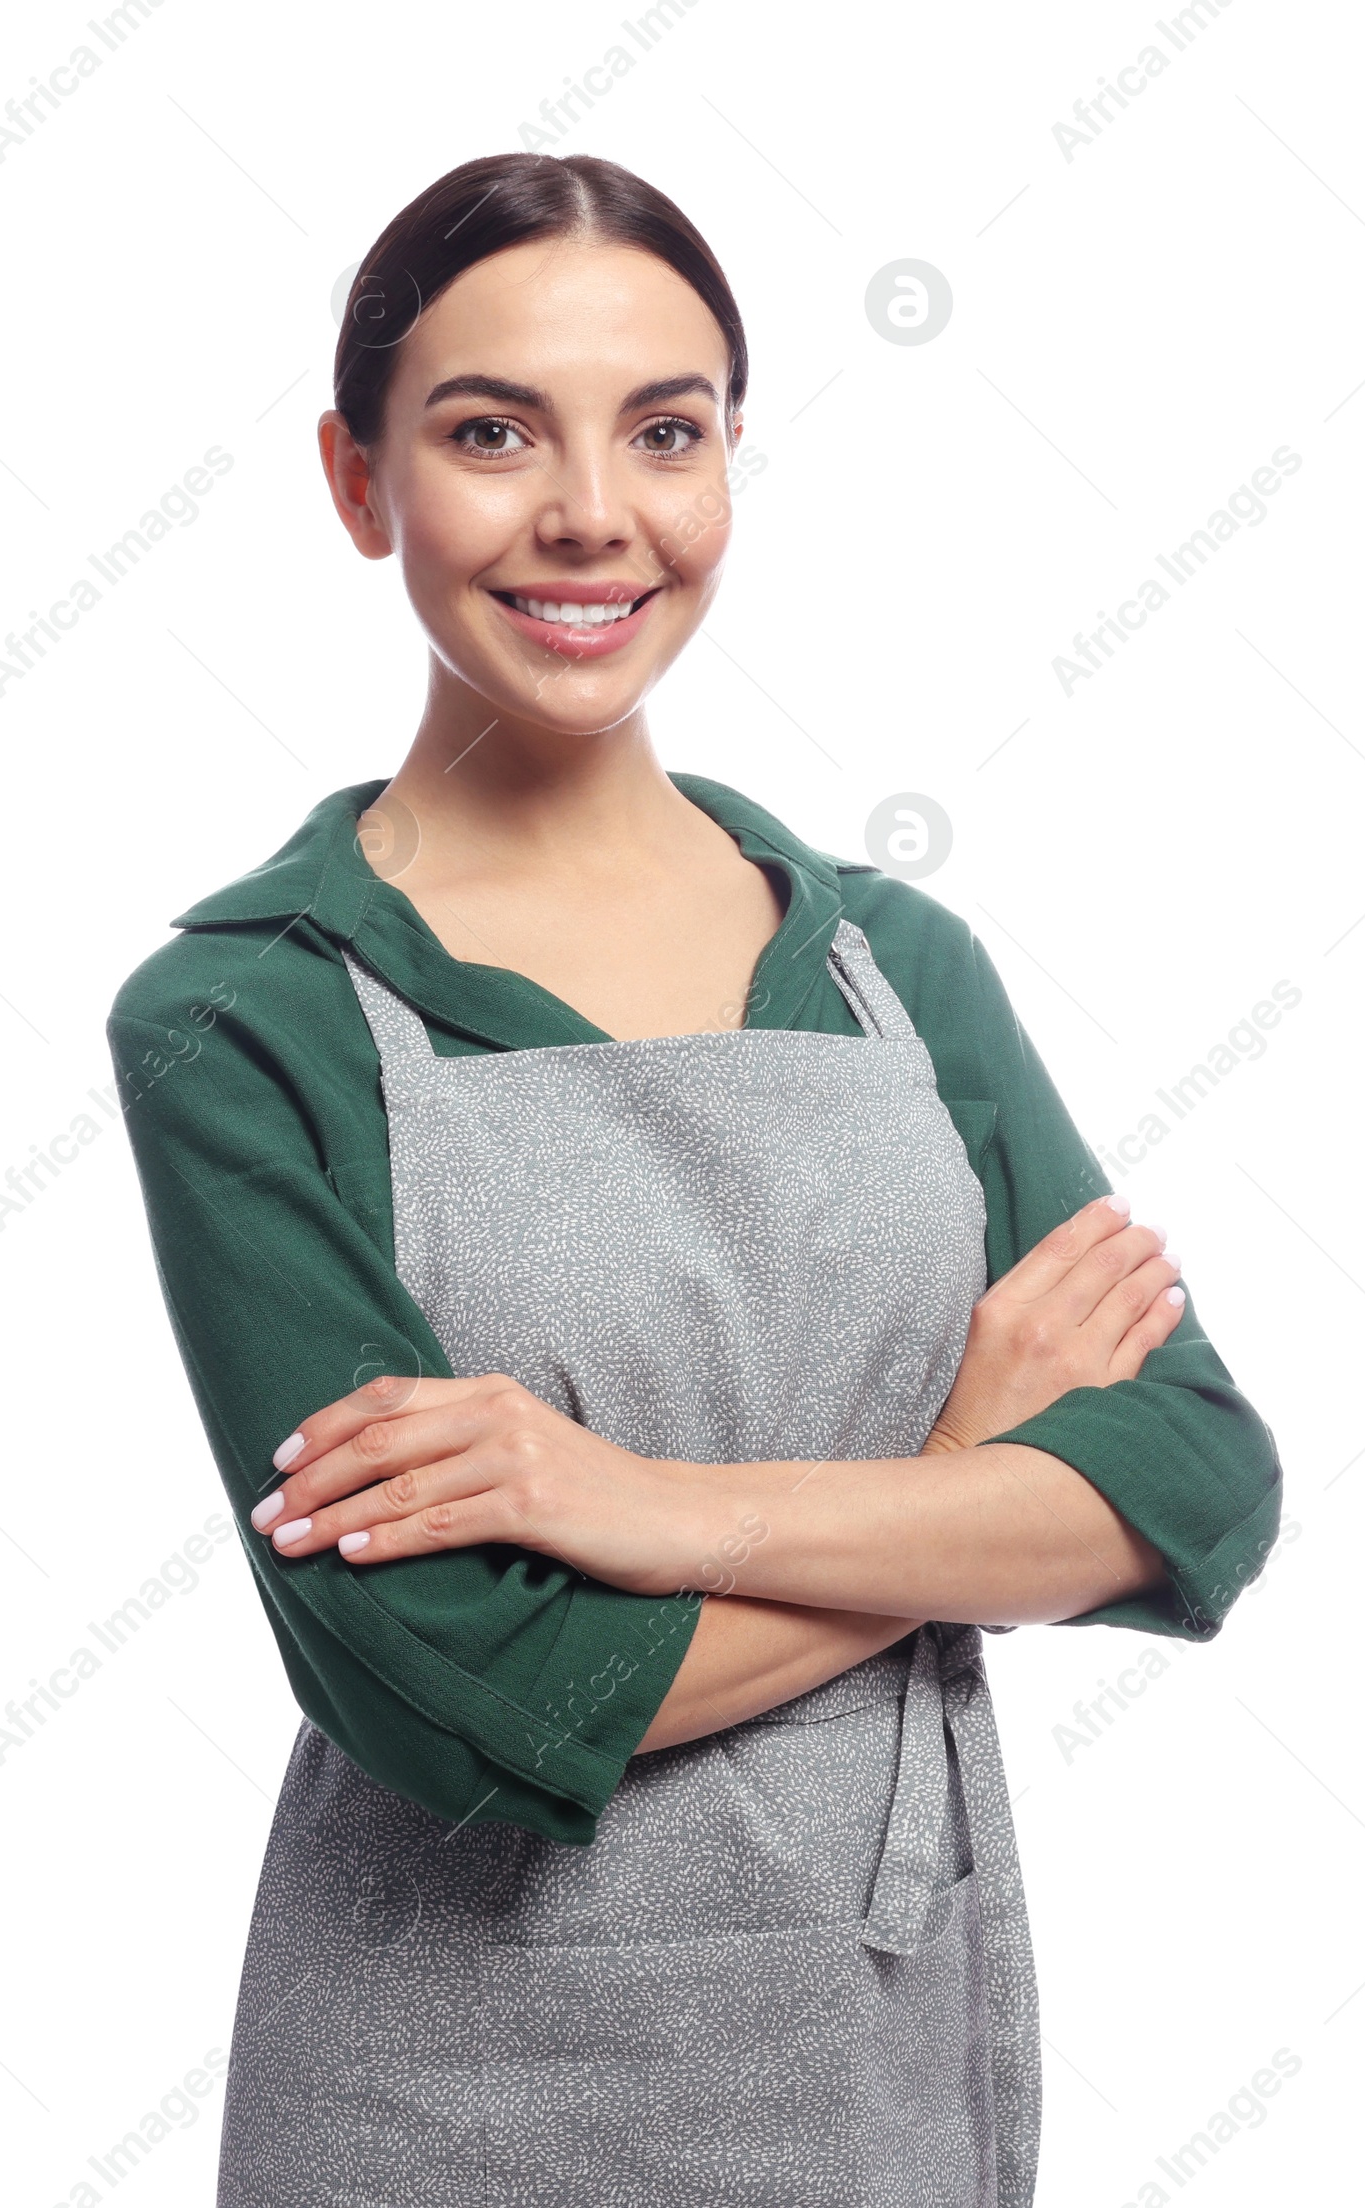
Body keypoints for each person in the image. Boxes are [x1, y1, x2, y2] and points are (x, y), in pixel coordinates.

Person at [108, 151, 1282, 2208]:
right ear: (356, 479)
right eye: (490, 432)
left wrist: (629, 1507)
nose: (591, 514)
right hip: (438, 2099)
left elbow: (1187, 1483)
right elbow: (465, 1697)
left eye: (667, 431)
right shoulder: (241, 1025)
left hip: (880, 2054)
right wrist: (958, 1476)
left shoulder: (884, 972)